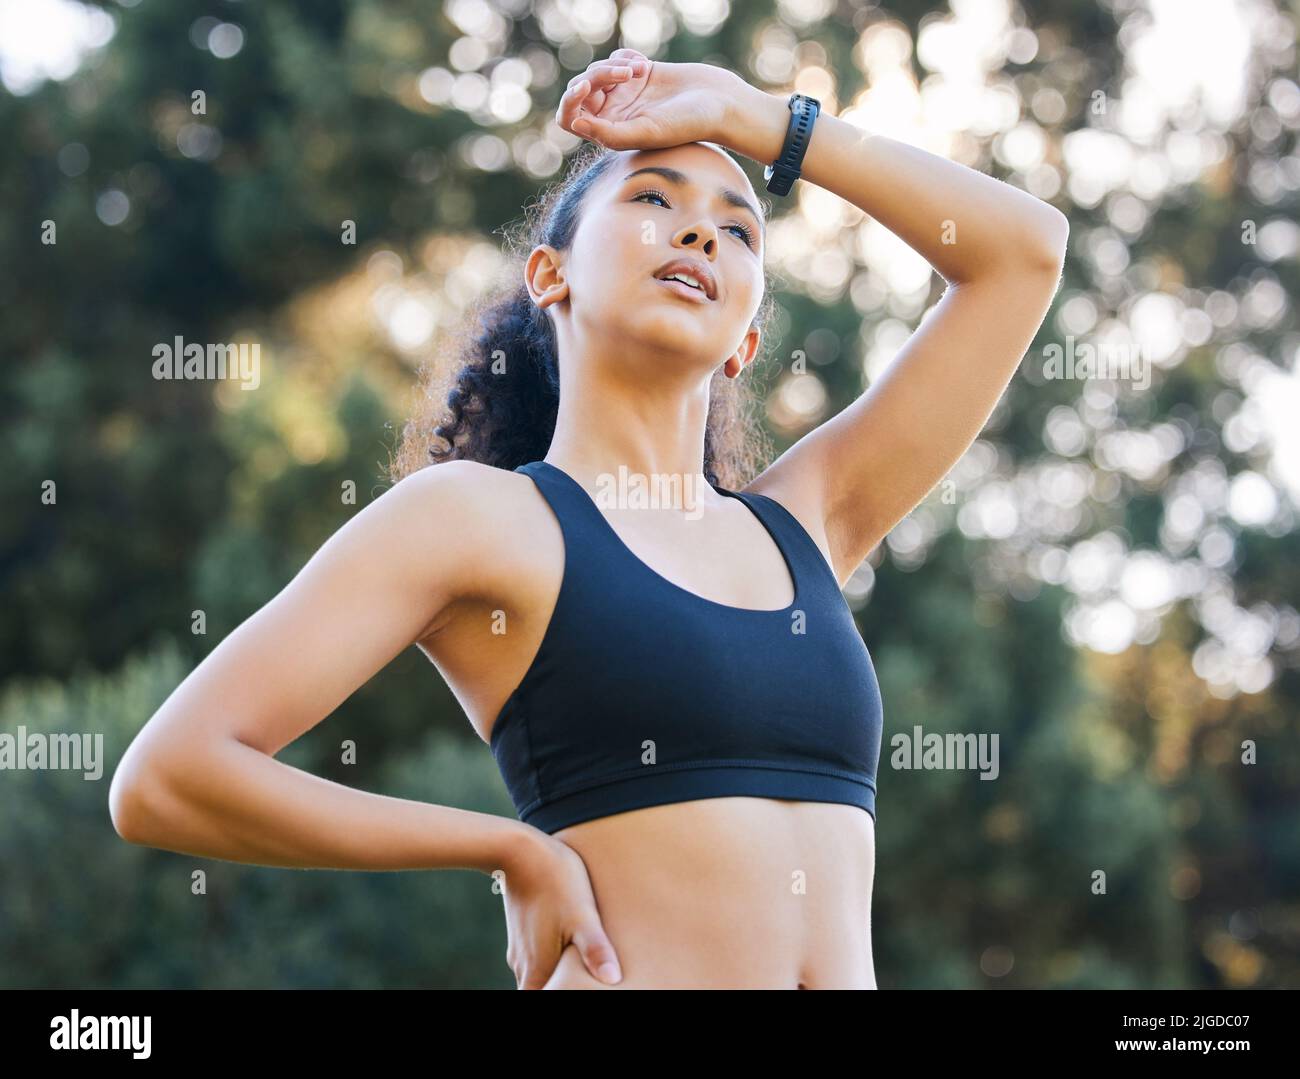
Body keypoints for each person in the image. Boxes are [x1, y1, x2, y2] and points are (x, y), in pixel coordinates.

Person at [109, 48, 1067, 989]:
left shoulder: (808, 520)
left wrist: (758, 117)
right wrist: (506, 850)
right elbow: (171, 775)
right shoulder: (481, 519)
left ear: (748, 341)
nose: (699, 235)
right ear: (549, 275)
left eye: (738, 231)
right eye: (652, 200)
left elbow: (1021, 254)